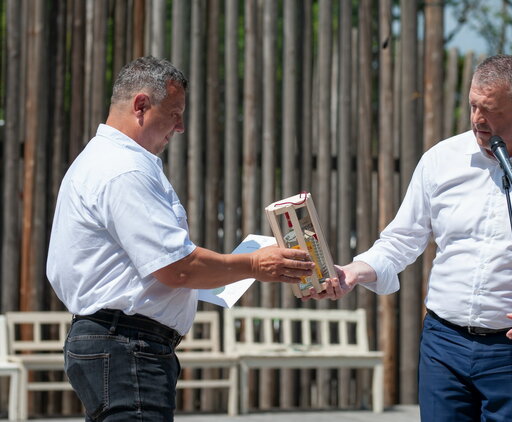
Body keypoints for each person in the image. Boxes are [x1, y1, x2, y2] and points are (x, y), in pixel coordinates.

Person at [307, 55, 512, 421]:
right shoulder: (441, 159)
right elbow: (400, 241)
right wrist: (353, 272)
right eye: (473, 105)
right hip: (443, 344)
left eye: (490, 110)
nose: (477, 119)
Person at [46, 56, 314, 421]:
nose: (181, 126)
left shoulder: (105, 161)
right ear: (141, 105)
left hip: (121, 340)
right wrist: (255, 263)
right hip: (127, 343)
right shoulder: (122, 168)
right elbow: (177, 269)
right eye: (174, 113)